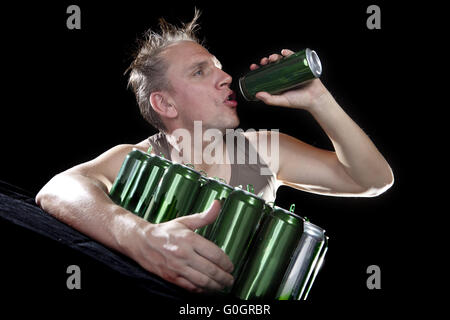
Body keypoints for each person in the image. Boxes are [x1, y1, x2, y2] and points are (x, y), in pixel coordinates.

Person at [35, 10, 393, 294]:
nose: (224, 77)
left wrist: (319, 100)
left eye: (218, 66)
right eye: (199, 71)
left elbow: (371, 180)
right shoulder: (140, 158)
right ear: (165, 103)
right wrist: (138, 237)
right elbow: (57, 189)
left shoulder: (262, 151)